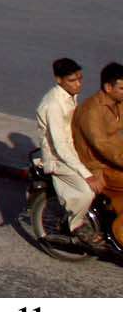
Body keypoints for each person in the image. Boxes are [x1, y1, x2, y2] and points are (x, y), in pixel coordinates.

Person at [38, 59, 100, 241]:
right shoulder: (53, 105)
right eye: (73, 80)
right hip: (58, 159)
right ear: (59, 80)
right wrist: (86, 174)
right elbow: (60, 147)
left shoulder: (69, 95)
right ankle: (75, 224)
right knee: (88, 190)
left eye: (80, 79)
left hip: (72, 152)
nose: (78, 84)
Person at [72, 62, 123, 234]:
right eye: (122, 88)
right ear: (108, 87)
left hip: (111, 159)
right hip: (97, 165)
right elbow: (102, 145)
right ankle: (120, 232)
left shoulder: (117, 103)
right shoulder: (92, 111)